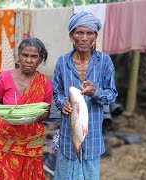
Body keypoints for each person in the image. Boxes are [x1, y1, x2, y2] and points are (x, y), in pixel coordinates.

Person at [52, 12, 118, 179]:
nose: (84, 38)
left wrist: (95, 92)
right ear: (71, 36)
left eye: (89, 33)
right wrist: (62, 102)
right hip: (68, 134)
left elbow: (112, 94)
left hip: (93, 134)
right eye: (79, 33)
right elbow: (56, 92)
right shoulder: (62, 62)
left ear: (95, 37)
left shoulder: (104, 61)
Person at [0, 38, 53, 179]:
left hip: (30, 142)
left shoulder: (45, 83)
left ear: (41, 59)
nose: (29, 60)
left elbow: (47, 111)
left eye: (34, 56)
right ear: (19, 57)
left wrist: (36, 116)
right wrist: (3, 112)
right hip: (5, 139)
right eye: (25, 55)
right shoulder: (4, 77)